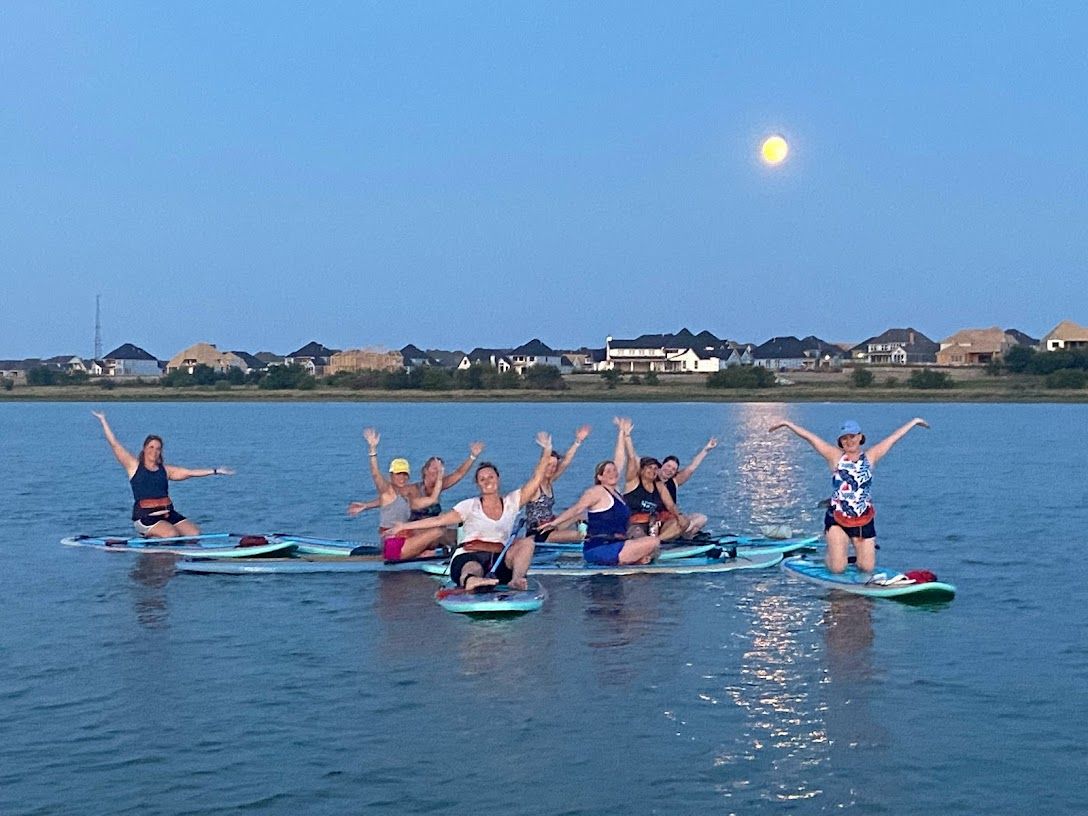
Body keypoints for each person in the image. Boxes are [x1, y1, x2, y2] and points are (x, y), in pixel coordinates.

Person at [390, 432, 555, 591]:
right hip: (469, 556)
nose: (487, 481)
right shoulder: (469, 506)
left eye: (491, 477)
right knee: (473, 567)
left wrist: (546, 450)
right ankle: (472, 581)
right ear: (478, 485)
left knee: (527, 542)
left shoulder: (512, 502)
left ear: (498, 479)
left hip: (498, 560)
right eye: (482, 479)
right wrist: (404, 527)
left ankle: (517, 579)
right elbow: (438, 521)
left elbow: (536, 479)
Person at [768, 417, 929, 573]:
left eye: (852, 437)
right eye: (844, 438)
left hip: (863, 520)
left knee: (867, 568)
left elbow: (893, 438)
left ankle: (851, 558)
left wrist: (914, 422)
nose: (849, 441)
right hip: (838, 518)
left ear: (860, 437)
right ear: (840, 442)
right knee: (838, 568)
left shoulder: (870, 456)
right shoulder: (835, 456)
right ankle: (831, 558)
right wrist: (787, 424)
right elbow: (811, 438)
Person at [92, 411, 234, 538]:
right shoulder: (134, 467)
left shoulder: (165, 470)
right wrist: (103, 420)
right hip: (146, 519)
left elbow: (190, 472)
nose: (154, 451)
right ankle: (154, 544)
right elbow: (115, 444)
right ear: (144, 449)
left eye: (158, 448)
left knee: (194, 534)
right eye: (151, 447)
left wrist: (216, 471)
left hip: (168, 515)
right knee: (171, 534)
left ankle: (187, 557)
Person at [540, 418, 660, 566]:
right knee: (653, 541)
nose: (612, 473)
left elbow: (619, 459)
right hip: (600, 549)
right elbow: (577, 508)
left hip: (615, 545)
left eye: (614, 471)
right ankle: (633, 560)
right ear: (600, 477)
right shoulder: (596, 492)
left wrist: (622, 433)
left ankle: (635, 560)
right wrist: (554, 523)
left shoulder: (616, 492)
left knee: (651, 546)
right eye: (607, 471)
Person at [360, 428, 445, 560]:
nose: (402, 478)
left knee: (435, 527)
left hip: (405, 540)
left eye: (404, 474)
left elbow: (433, 498)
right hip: (393, 546)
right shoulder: (387, 492)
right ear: (391, 475)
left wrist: (440, 475)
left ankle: (422, 552)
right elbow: (375, 474)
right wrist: (373, 450)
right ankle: (423, 554)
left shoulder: (409, 499)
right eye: (398, 474)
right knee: (437, 531)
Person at [632, 436, 718, 540]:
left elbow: (691, 468)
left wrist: (706, 449)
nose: (670, 470)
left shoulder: (673, 482)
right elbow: (636, 461)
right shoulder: (650, 479)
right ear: (661, 465)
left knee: (701, 519)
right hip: (651, 522)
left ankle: (678, 536)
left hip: (668, 520)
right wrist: (626, 436)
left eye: (673, 469)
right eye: (668, 466)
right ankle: (668, 538)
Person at [409, 441, 486, 548]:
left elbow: (458, 474)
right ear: (425, 471)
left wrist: (472, 456)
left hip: (436, 527)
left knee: (468, 532)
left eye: (441, 469)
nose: (438, 472)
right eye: (435, 468)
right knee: (443, 533)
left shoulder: (439, 486)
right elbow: (431, 499)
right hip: (416, 531)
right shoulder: (414, 489)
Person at [523, 425, 591, 544]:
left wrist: (577, 442)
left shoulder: (549, 482)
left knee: (582, 514)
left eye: (554, 466)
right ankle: (582, 539)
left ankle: (584, 537)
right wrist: (546, 449)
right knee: (579, 534)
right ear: (542, 465)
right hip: (539, 532)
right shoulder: (535, 485)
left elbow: (565, 463)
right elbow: (539, 471)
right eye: (548, 465)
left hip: (551, 524)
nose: (552, 469)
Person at [620, 429, 684, 539]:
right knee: (638, 532)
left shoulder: (659, 486)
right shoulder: (633, 482)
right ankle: (648, 544)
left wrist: (679, 517)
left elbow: (670, 505)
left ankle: (657, 542)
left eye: (655, 468)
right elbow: (631, 458)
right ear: (641, 470)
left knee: (682, 522)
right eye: (649, 468)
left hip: (653, 525)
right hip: (633, 525)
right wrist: (627, 436)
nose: (653, 470)